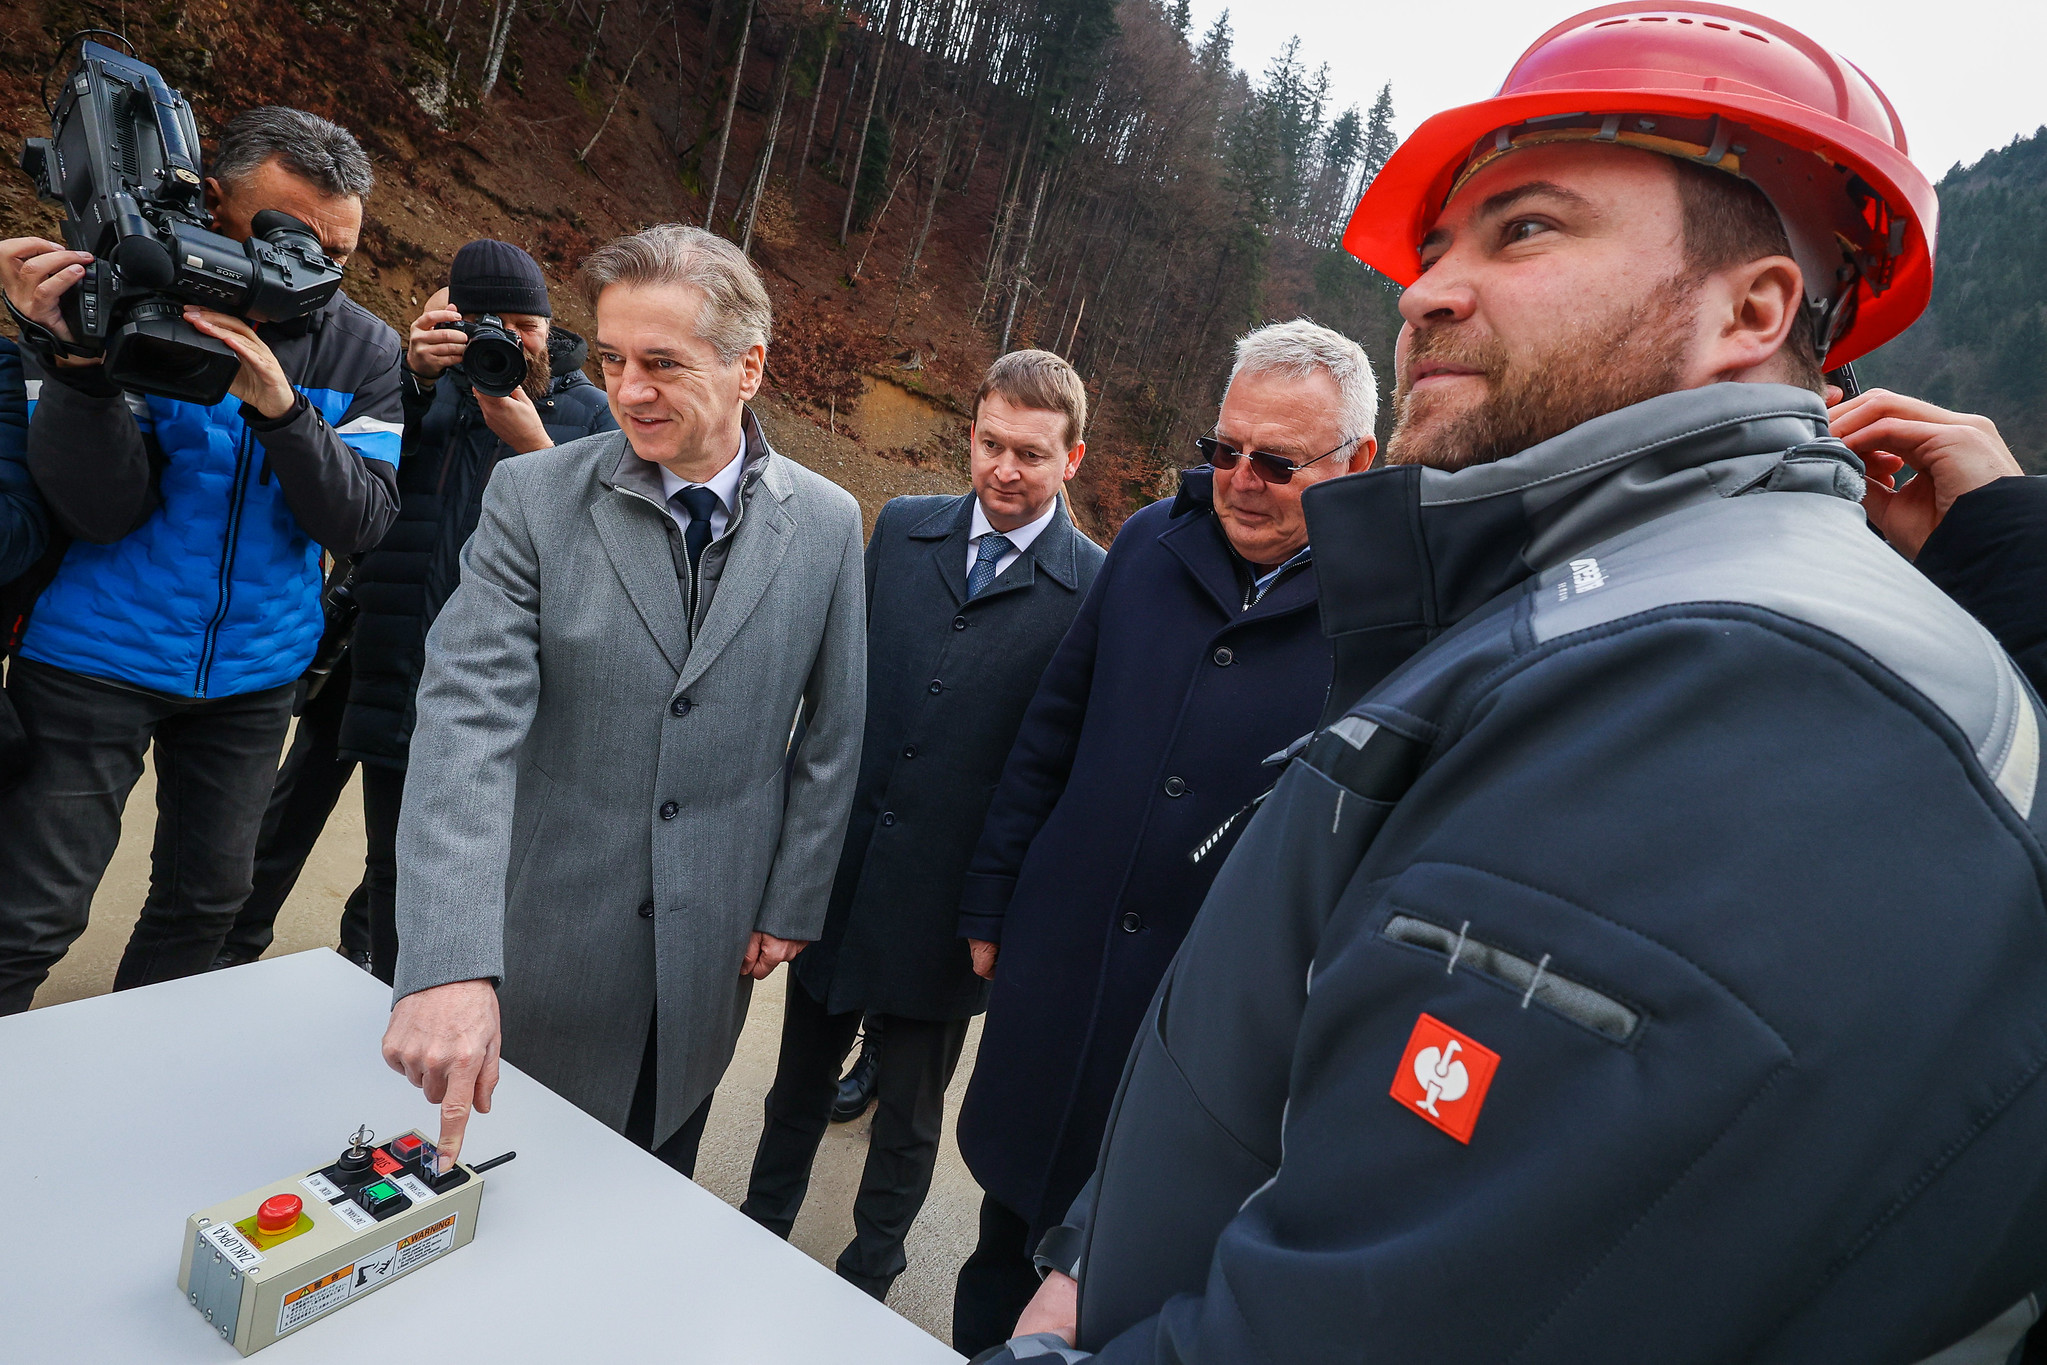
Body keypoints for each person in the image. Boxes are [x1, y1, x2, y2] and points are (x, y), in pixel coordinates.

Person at [988, 8, 2047, 1363]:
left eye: (1523, 230)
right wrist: (1100, 1250)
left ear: (1751, 307)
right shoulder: (1591, 605)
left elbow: (1378, 1325)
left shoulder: (1733, 686)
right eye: (1434, 248)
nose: (1422, 291)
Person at [380, 224, 865, 1181]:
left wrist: (792, 897)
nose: (628, 390)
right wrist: (447, 959)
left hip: (712, 949)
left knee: (655, 1169)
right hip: (545, 943)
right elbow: (464, 727)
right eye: (611, 358)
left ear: (748, 368)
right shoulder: (530, 497)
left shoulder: (829, 524)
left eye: (661, 363)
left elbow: (833, 732)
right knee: (506, 1194)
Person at [949, 320, 1378, 1354]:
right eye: (1223, 449)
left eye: (1277, 463)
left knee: (1129, 1267)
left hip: (1203, 1015)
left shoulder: (1385, 617)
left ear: (1358, 462)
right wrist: (993, 894)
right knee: (1003, 1233)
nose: (1238, 480)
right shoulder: (1148, 541)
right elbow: (1052, 726)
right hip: (1061, 955)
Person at [0, 108, 400, 1014]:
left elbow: (366, 521)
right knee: (30, 914)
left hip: (256, 674)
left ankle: (139, 1091)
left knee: (207, 906)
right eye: (290, 238)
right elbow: (97, 511)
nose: (313, 272)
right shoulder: (113, 295)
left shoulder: (363, 346)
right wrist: (73, 364)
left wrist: (282, 410)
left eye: (336, 253)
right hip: (91, 656)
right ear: (211, 200)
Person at [742, 349, 1107, 1300]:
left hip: (952, 908)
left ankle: (868, 1274)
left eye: (1031, 452)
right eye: (989, 442)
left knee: (907, 1117)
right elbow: (835, 700)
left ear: (1073, 458)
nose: (1003, 468)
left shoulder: (1094, 590)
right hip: (845, 872)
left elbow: (1064, 769)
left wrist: (1007, 912)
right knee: (794, 1089)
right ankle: (754, 1233)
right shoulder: (903, 530)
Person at [217, 243, 617, 980]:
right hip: (373, 641)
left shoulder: (591, 415)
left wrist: (531, 443)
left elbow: (605, 554)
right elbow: (353, 483)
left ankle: (376, 972)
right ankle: (229, 950)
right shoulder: (422, 387)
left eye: (526, 322)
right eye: (488, 322)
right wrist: (411, 377)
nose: (512, 340)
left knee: (411, 847)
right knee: (289, 808)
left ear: (550, 325)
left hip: (477, 669)